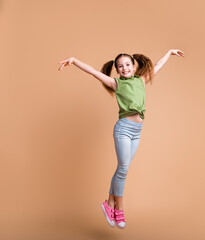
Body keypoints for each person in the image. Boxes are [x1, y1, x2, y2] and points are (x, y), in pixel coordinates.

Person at [58, 49, 185, 229]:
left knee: (121, 169)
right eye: (120, 66)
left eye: (127, 65)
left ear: (134, 67)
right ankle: (119, 209)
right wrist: (74, 60)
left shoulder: (142, 80)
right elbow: (93, 72)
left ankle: (109, 204)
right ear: (117, 70)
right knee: (123, 170)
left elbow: (157, 65)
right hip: (123, 130)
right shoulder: (116, 83)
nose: (124, 68)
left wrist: (169, 52)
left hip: (137, 131)